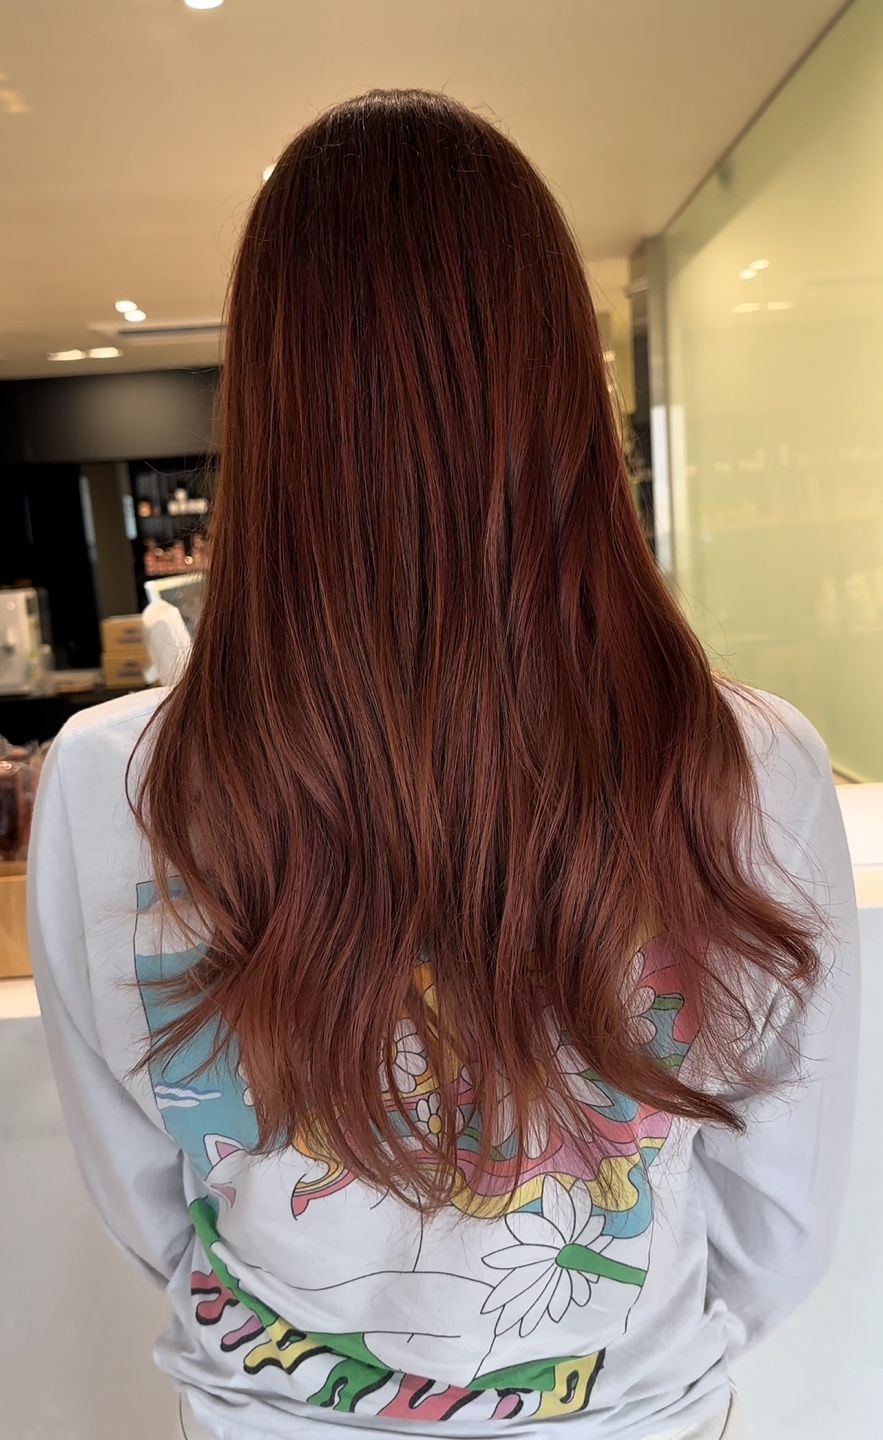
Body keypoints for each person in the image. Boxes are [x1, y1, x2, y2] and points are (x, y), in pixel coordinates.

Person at [28, 90, 859, 1440]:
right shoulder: (750, 765)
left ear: (272, 397)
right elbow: (779, 1228)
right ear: (562, 389)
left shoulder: (115, 783)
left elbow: (152, 1200)